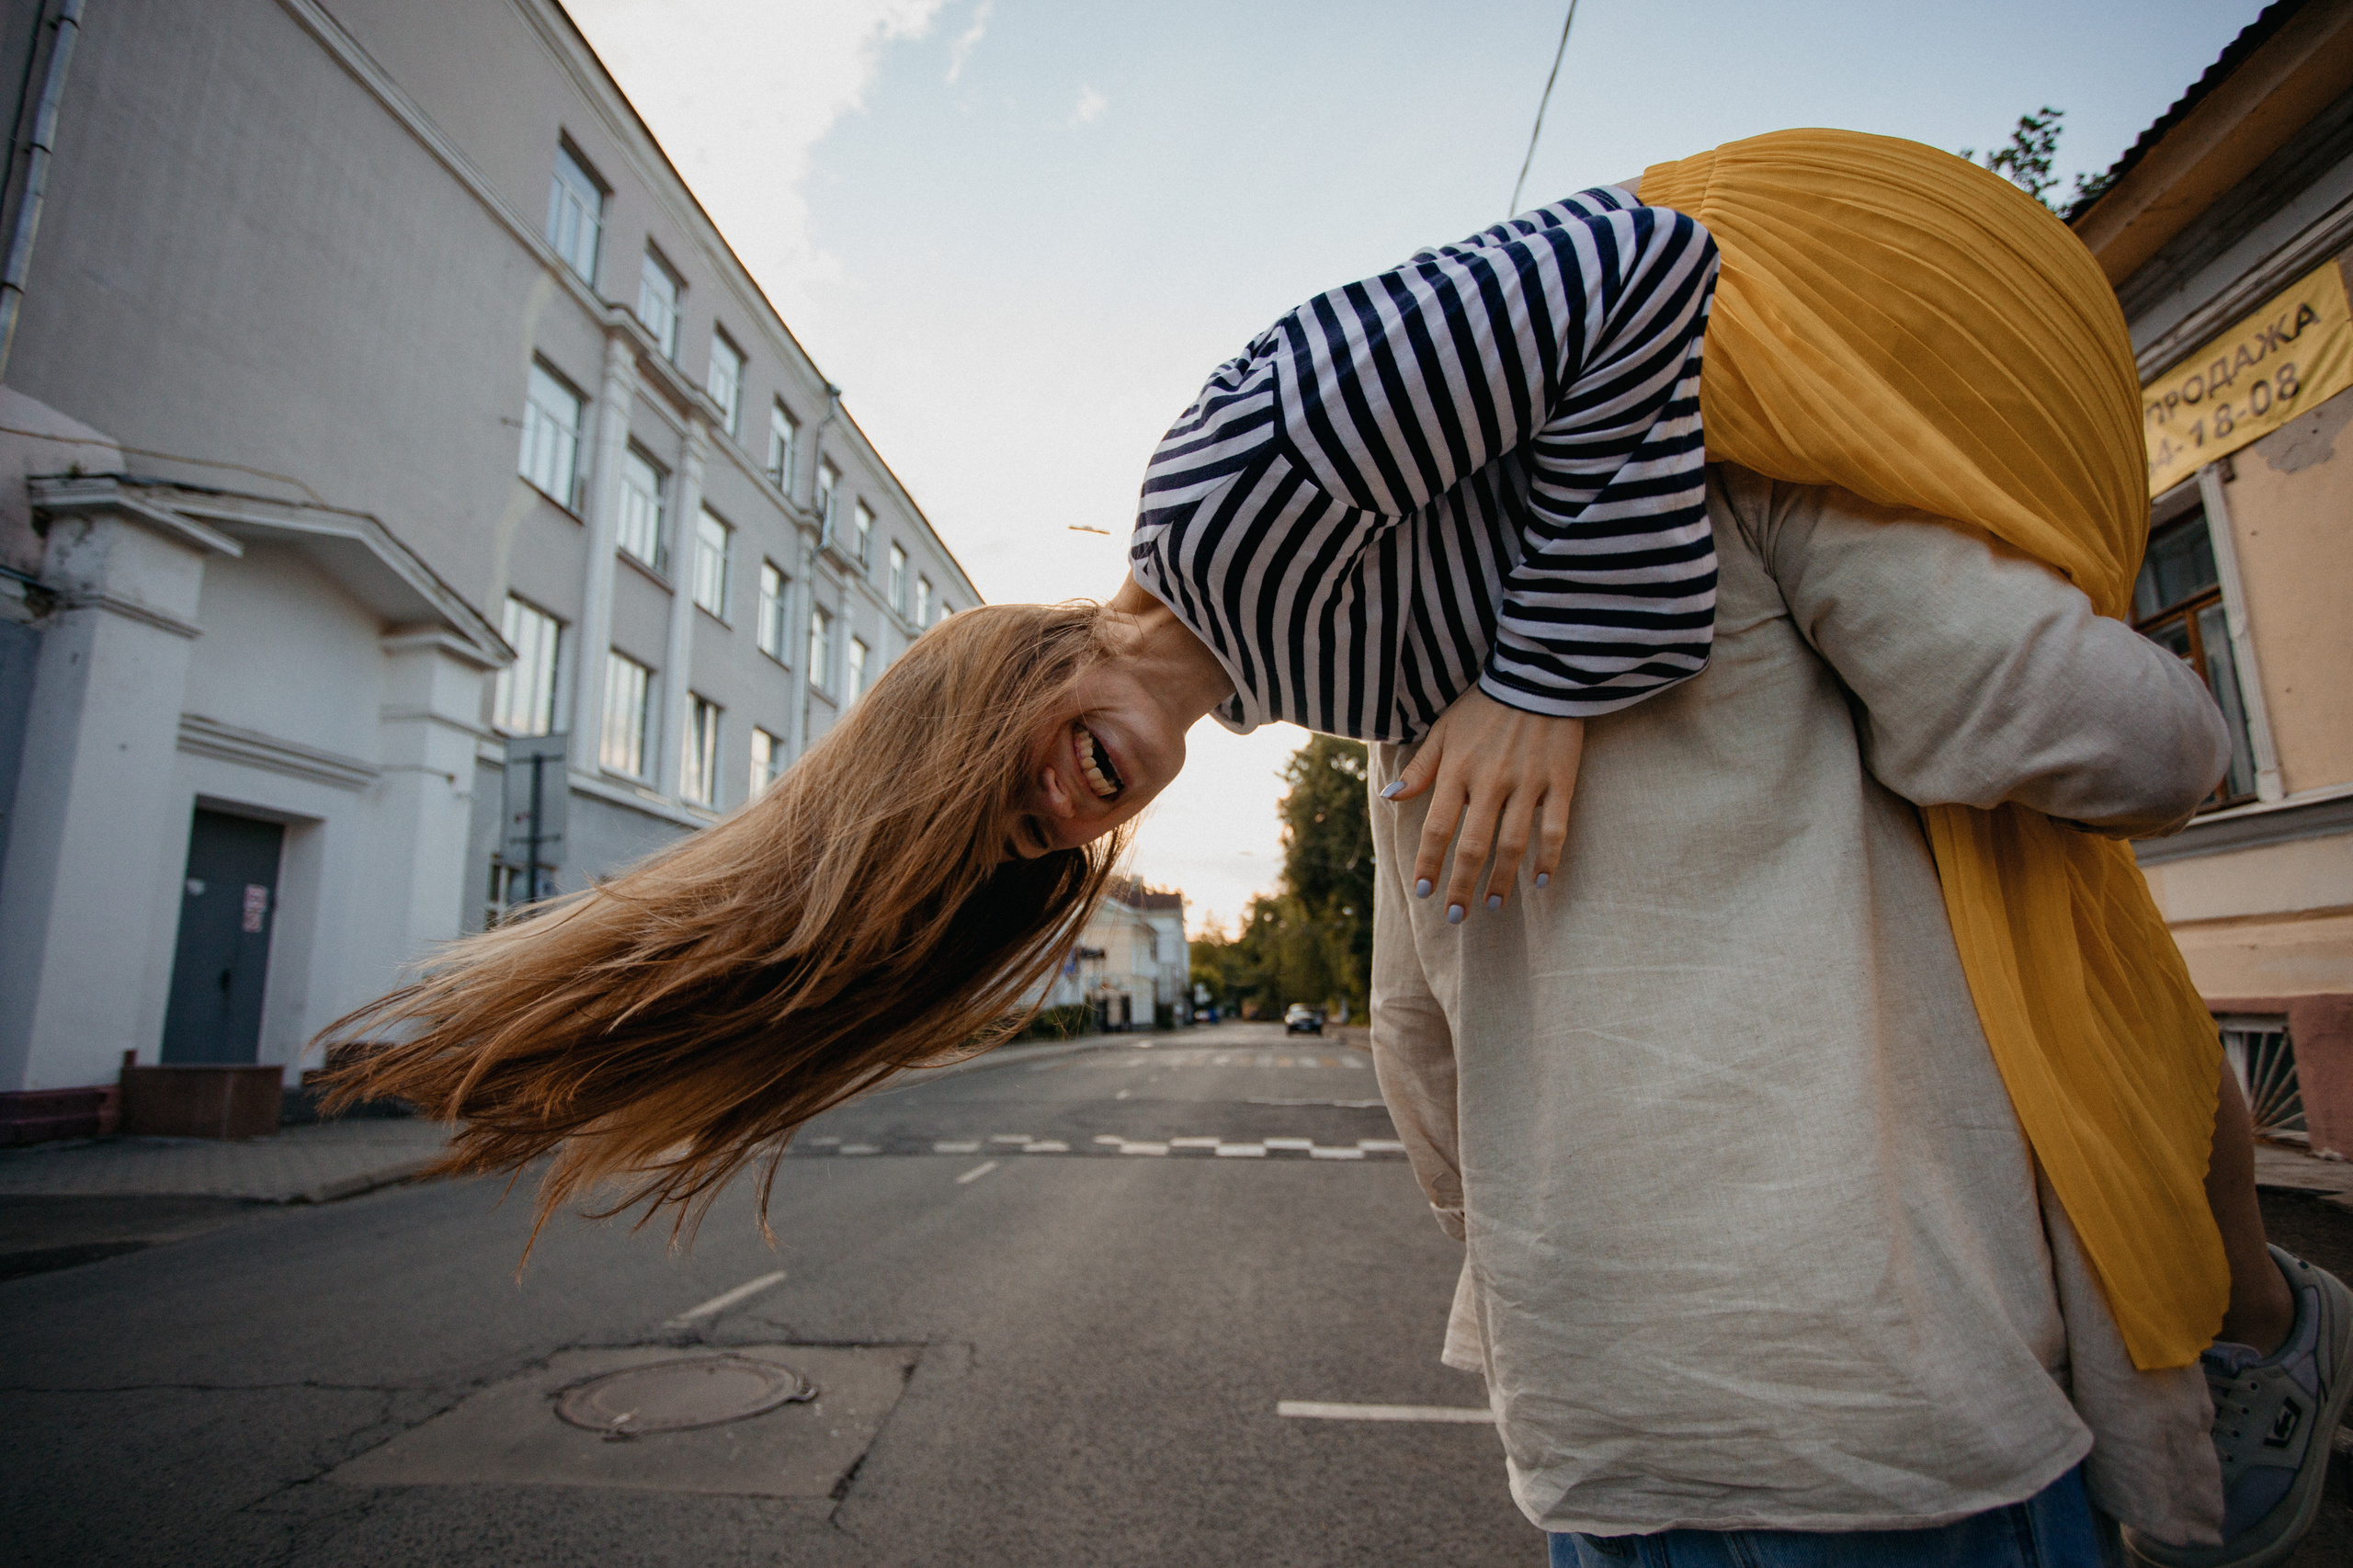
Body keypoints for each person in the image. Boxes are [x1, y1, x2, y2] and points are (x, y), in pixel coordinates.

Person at [324, 130, 2348, 1566]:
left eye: (1006, 790)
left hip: (1654, 1446)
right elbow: (2064, 735)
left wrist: (1549, 692)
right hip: (1827, 1426)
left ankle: (2256, 1336)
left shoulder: (1248, 516)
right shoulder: (1383, 700)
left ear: (999, 685)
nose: (1054, 822)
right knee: (2131, 1039)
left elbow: (1633, 277)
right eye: (1024, 861)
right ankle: (2254, 1341)